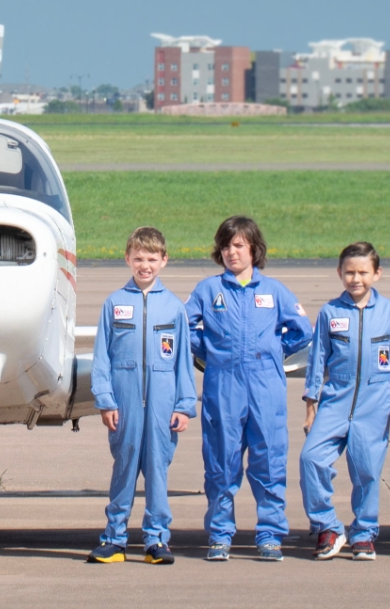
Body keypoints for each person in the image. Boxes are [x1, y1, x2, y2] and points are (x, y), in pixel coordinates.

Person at [185, 216, 311, 562]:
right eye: (226, 246)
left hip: (265, 384)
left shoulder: (273, 291)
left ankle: (270, 533)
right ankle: (220, 534)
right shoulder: (208, 290)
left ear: (254, 248)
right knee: (221, 461)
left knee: (269, 459)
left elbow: (302, 329)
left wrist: (273, 351)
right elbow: (185, 326)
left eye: (239, 245)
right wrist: (209, 351)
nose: (232, 252)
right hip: (223, 384)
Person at [84, 228, 195, 565]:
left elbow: (183, 361)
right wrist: (105, 399)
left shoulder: (174, 307)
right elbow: (102, 357)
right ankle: (114, 538)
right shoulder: (114, 303)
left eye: (151, 259)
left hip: (163, 405)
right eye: (138, 258)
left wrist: (184, 405)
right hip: (125, 403)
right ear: (127, 259)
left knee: (158, 470)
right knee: (125, 467)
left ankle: (157, 539)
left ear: (164, 261)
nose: (144, 265)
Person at [298, 242, 390, 562]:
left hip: (375, 403)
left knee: (366, 471)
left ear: (377, 273)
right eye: (349, 272)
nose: (356, 279)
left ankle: (364, 533)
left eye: (363, 272)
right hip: (336, 399)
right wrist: (311, 403)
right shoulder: (330, 312)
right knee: (311, 459)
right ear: (339, 273)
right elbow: (317, 360)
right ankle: (327, 526)